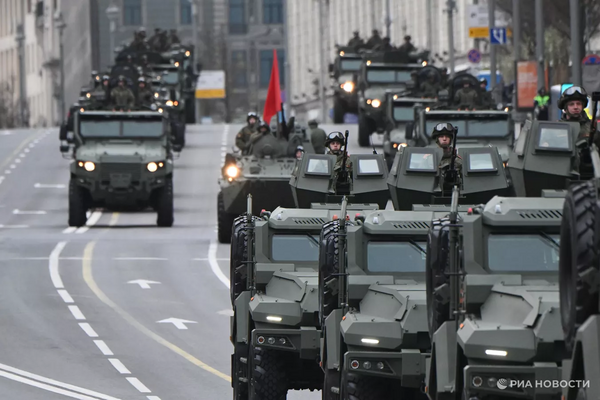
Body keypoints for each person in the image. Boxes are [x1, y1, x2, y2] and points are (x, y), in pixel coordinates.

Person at [431, 123, 462, 188]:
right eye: (441, 136)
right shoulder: (430, 159)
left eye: (447, 136)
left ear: (450, 139)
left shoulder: (458, 160)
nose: (444, 139)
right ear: (437, 139)